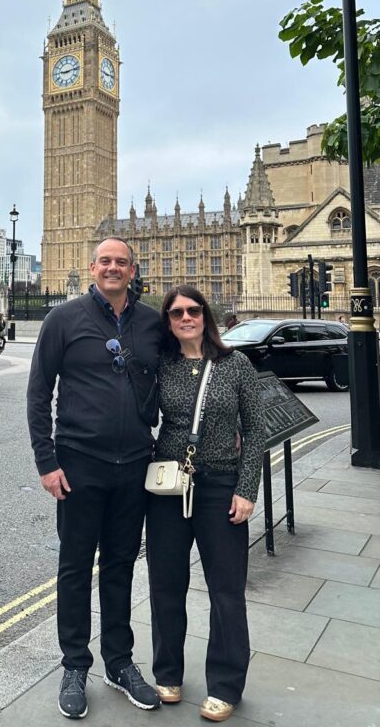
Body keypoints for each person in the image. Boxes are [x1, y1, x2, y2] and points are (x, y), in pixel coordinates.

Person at [27, 236, 162, 719]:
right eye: (105, 261)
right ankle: (74, 665)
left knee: (123, 564)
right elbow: (39, 393)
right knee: (75, 565)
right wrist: (47, 462)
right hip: (80, 463)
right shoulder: (62, 319)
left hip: (135, 465)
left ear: (132, 269)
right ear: (91, 267)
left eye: (120, 262)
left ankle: (119, 662)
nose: (112, 268)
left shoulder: (151, 322)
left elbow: (185, 370)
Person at [146, 285, 266, 723]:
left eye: (192, 310)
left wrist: (247, 488)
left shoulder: (235, 365)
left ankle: (226, 683)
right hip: (168, 488)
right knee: (165, 585)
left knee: (227, 591)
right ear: (168, 321)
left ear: (205, 315)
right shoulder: (161, 365)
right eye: (176, 313)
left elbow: (256, 430)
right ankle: (168, 673)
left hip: (220, 486)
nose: (185, 318)